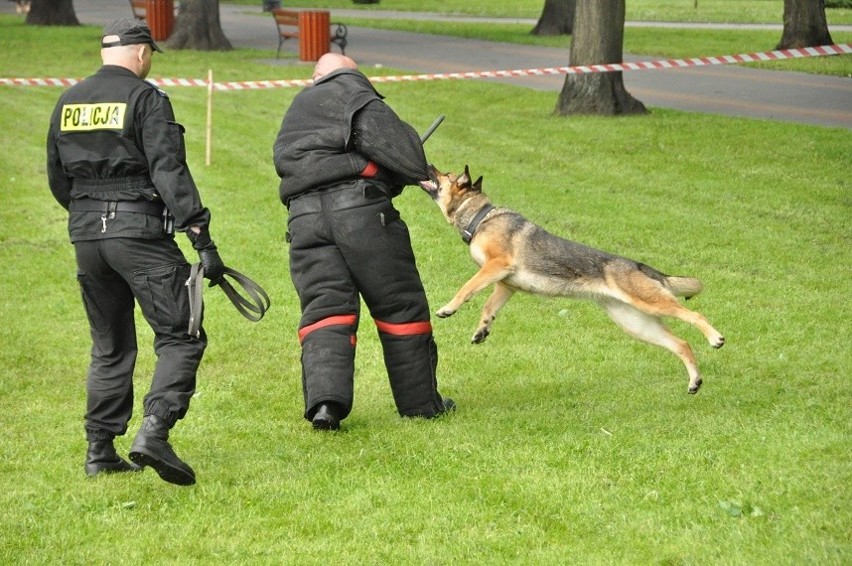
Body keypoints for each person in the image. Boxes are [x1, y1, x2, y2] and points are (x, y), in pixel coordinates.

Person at [46, 19, 227, 486]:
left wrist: (91, 214)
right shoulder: (147, 99)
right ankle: (155, 431)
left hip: (86, 235)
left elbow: (57, 178)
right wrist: (201, 239)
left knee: (110, 346)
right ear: (142, 53)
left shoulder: (67, 101)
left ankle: (99, 450)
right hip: (139, 233)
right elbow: (169, 171)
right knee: (180, 334)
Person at [273, 53, 455, 431]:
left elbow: (291, 163)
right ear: (350, 73)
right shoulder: (355, 93)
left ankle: (326, 405)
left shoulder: (298, 108)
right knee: (399, 305)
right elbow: (403, 151)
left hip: (304, 218)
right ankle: (421, 404)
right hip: (360, 213)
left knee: (326, 308)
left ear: (316, 76)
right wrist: (400, 174)